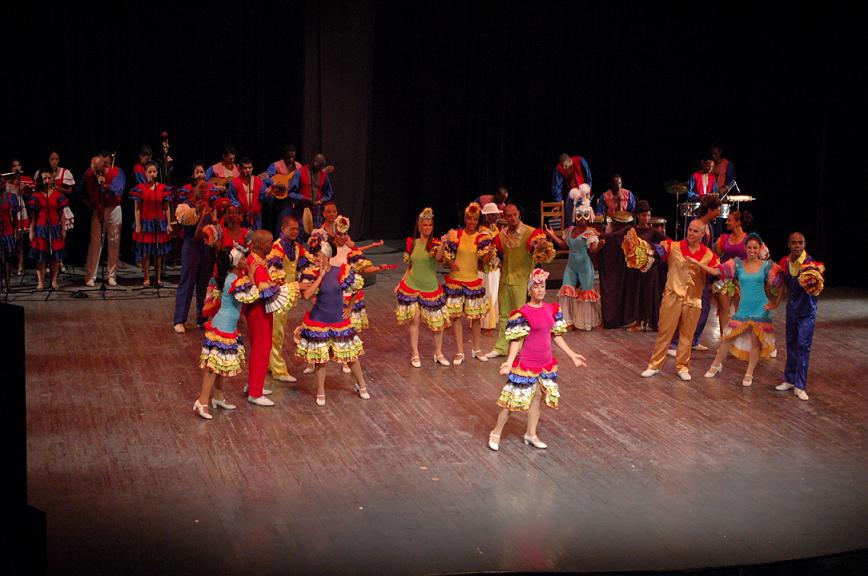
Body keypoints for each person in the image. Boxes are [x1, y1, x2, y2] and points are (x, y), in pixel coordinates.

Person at [487, 268, 587, 451]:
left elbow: (556, 336)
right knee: (512, 402)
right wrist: (509, 361)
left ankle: (531, 434)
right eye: (536, 287)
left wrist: (572, 354)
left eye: (543, 286)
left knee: (538, 397)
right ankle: (496, 432)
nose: (540, 290)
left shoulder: (551, 309)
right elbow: (517, 340)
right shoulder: (523, 313)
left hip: (545, 363)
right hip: (527, 364)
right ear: (529, 290)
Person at [633, 218, 720, 381]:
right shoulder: (674, 247)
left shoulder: (708, 255)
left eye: (695, 231)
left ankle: (682, 366)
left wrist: (700, 265)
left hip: (693, 300)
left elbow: (718, 271)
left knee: (687, 336)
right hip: (672, 297)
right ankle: (654, 365)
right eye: (690, 229)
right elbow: (656, 252)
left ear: (702, 234)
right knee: (664, 333)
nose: (691, 233)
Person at [698, 233, 782, 386]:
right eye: (749, 247)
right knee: (727, 338)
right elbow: (716, 271)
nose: (752, 250)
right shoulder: (737, 264)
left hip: (760, 308)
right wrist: (698, 263)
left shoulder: (766, 266)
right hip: (744, 308)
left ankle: (749, 373)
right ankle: (715, 365)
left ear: (760, 249)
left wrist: (776, 302)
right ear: (745, 248)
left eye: (755, 248)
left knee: (756, 341)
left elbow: (781, 282)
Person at [296, 230, 369, 406]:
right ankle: (321, 391)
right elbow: (307, 295)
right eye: (315, 255)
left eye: (318, 255)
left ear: (327, 256)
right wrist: (320, 277)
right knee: (321, 359)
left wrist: (350, 307)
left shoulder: (341, 271)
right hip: (319, 321)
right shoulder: (312, 274)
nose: (316, 258)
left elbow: (357, 286)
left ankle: (362, 385)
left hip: (338, 321)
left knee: (351, 356)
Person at [485, 204, 555, 359]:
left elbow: (543, 255)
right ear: (504, 217)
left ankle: (522, 349)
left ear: (519, 214)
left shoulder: (530, 233)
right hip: (506, 279)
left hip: (522, 280)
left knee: (522, 316)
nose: (512, 218)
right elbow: (495, 254)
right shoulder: (502, 235)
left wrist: (542, 246)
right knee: (504, 315)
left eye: (514, 214)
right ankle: (501, 347)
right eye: (509, 216)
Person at [236, 230, 292, 407]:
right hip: (259, 313)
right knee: (261, 350)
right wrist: (287, 288)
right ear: (260, 244)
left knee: (259, 349)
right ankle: (255, 392)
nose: (272, 245)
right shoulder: (257, 266)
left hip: (259, 312)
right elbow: (261, 292)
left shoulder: (257, 260)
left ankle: (254, 384)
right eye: (269, 243)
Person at [194, 246, 247, 419]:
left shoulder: (233, 277)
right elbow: (252, 294)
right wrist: (254, 273)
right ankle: (202, 401)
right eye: (243, 259)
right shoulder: (233, 280)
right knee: (213, 368)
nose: (247, 261)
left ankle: (217, 397)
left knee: (219, 366)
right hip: (223, 327)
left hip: (226, 325)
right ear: (236, 263)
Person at [396, 207, 450, 368]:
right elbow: (410, 266)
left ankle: (438, 353)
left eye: (430, 225)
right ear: (419, 226)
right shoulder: (412, 243)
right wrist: (401, 282)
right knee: (415, 320)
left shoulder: (435, 244)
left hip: (430, 288)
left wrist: (444, 244)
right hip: (412, 286)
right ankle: (415, 353)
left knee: (437, 323)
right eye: (425, 225)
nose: (427, 228)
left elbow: (439, 257)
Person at [774, 232, 824, 401]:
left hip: (807, 311)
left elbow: (817, 288)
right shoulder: (785, 262)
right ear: (789, 244)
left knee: (803, 346)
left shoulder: (811, 265)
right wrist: (776, 302)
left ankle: (800, 385)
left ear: (804, 244)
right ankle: (789, 379)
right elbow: (781, 284)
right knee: (791, 343)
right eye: (794, 243)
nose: (797, 246)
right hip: (792, 309)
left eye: (800, 242)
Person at [667, 194, 720, 353]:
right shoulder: (696, 225)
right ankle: (675, 343)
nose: (719, 212)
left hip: (702, 273)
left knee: (703, 308)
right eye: (717, 209)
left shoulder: (708, 226)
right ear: (710, 210)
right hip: (690, 274)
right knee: (687, 308)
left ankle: (693, 339)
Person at [442, 202, 494, 364]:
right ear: (465, 219)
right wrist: (451, 263)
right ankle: (459, 351)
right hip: (456, 281)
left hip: (472, 281)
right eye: (469, 219)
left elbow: (485, 261)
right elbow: (447, 256)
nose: (472, 222)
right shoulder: (455, 235)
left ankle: (477, 349)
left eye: (475, 219)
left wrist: (491, 253)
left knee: (476, 318)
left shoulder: (481, 238)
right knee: (457, 317)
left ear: (478, 220)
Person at [545, 200, 602, 331]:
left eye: (584, 215)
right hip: (571, 265)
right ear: (575, 216)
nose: (581, 218)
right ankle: (568, 321)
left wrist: (599, 246)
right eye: (579, 215)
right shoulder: (570, 230)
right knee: (566, 290)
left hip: (584, 266)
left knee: (587, 293)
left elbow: (593, 249)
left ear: (588, 217)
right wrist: (552, 235)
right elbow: (564, 245)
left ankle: (587, 321)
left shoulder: (590, 232)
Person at [172, 178, 214, 333]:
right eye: (201, 187)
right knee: (187, 282)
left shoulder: (208, 205)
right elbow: (183, 219)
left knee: (204, 284)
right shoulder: (184, 206)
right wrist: (197, 211)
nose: (204, 190)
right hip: (191, 246)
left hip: (205, 246)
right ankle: (179, 319)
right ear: (193, 188)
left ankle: (202, 318)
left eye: (205, 188)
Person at [265, 215, 303, 383]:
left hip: (287, 295)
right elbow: (274, 275)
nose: (295, 232)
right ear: (283, 229)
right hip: (277, 296)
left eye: (297, 229)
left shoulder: (297, 248)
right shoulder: (276, 248)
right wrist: (294, 286)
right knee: (277, 332)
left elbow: (306, 264)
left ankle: (269, 363)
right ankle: (279, 370)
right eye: (292, 228)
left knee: (277, 331)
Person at [83, 153, 125, 287]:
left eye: (99, 169)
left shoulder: (117, 171)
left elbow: (118, 190)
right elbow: (85, 190)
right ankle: (91, 276)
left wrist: (105, 186)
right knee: (95, 243)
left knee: (114, 242)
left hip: (114, 208)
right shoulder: (90, 174)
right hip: (98, 208)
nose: (97, 172)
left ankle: (111, 276)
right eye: (95, 169)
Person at [624, 200, 666, 332]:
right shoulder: (632, 230)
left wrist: (653, 250)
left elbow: (667, 242)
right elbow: (616, 236)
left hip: (649, 269)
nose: (646, 218)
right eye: (643, 215)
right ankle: (638, 321)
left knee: (648, 294)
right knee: (637, 294)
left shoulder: (652, 231)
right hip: (636, 269)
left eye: (648, 215)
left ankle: (648, 320)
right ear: (637, 216)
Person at [130, 162, 173, 287]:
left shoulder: (163, 188)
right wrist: (138, 224)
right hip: (146, 223)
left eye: (154, 171)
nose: (152, 174)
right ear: (145, 173)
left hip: (159, 223)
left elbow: (167, 208)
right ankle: (146, 278)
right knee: (146, 252)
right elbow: (137, 209)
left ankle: (158, 278)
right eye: (150, 172)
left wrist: (169, 224)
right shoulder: (140, 188)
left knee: (159, 253)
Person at [712, 210, 753, 337]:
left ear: (738, 222)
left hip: (741, 280)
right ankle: (724, 339)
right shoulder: (724, 238)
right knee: (724, 310)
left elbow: (758, 257)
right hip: (724, 279)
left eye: (729, 220)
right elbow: (714, 255)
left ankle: (741, 340)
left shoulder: (748, 239)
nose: (726, 222)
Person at [28, 169, 69, 290]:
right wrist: (31, 231)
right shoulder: (36, 196)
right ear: (40, 181)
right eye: (44, 178)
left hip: (55, 228)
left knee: (55, 256)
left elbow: (62, 214)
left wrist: (63, 229)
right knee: (41, 256)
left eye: (48, 178)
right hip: (41, 228)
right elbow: (33, 216)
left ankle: (54, 281)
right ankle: (41, 281)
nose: (47, 180)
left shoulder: (57, 195)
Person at [596, 210, 635, 329]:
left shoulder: (620, 235)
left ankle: (612, 319)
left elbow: (610, 237)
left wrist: (600, 235)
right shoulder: (629, 233)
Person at [288, 152, 333, 237]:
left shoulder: (323, 175)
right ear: (312, 162)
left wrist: (322, 200)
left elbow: (328, 192)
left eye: (320, 167)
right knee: (300, 235)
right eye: (316, 165)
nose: (318, 169)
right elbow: (291, 192)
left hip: (317, 211)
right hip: (301, 210)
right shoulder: (300, 172)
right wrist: (303, 198)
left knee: (317, 237)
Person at [228, 158, 272, 230]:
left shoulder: (259, 181)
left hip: (256, 217)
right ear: (240, 169)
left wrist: (268, 194)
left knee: (256, 236)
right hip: (241, 216)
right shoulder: (234, 183)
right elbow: (233, 199)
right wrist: (239, 210)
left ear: (252, 168)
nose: (248, 170)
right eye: (245, 168)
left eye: (250, 168)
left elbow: (263, 198)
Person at [480, 202, 503, 333]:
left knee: (494, 293)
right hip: (487, 266)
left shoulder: (494, 228)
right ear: (487, 216)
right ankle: (485, 324)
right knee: (488, 293)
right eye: (493, 215)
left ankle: (491, 321)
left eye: (496, 214)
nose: (496, 217)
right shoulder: (484, 232)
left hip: (495, 265)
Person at [552, 153, 592, 226]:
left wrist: (588, 191)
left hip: (582, 189)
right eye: (562, 166)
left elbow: (588, 177)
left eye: (565, 166)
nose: (564, 168)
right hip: (571, 191)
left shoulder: (580, 161)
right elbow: (557, 186)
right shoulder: (558, 169)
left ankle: (583, 229)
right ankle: (570, 228)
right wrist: (558, 202)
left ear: (570, 161)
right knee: (569, 213)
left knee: (583, 212)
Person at [0, 175, 21, 290]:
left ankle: (8, 284)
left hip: (7, 229)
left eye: (3, 183)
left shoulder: (10, 197)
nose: (2, 185)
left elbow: (14, 216)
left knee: (8, 257)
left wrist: (16, 230)